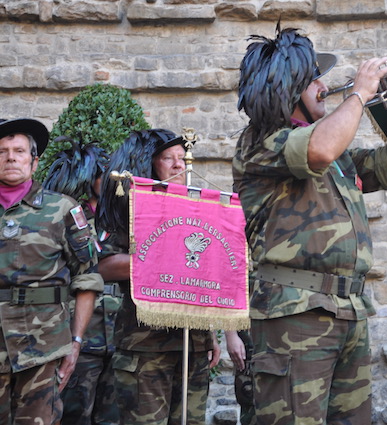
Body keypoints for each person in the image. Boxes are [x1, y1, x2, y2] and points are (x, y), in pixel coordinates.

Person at [232, 26, 387, 424]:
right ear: (289, 88)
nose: (323, 87)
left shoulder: (337, 154)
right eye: (314, 80)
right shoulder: (261, 141)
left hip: (348, 310)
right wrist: (360, 92)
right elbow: (319, 149)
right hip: (294, 312)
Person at [96, 129, 221, 425]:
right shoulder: (131, 209)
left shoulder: (198, 211)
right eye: (168, 158)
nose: (179, 165)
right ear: (150, 164)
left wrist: (211, 334)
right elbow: (105, 266)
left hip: (193, 342)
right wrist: (163, 259)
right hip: (145, 345)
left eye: (182, 157)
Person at [0, 118, 103, 424]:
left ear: (34, 162)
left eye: (19, 151)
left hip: (43, 348)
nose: (10, 158)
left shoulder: (63, 210)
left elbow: (87, 279)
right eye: (2, 151)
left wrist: (76, 343)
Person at [42, 139, 122, 425]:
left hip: (117, 335)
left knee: (112, 417)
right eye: (104, 175)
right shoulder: (68, 217)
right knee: (74, 414)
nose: (111, 180)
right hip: (81, 336)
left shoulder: (118, 219)